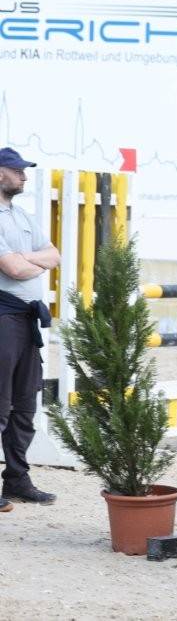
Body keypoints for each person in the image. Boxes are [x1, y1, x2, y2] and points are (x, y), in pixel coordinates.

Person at [0, 148, 59, 510]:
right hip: (3, 318)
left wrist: (27, 259)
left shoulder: (21, 216)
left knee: (24, 404)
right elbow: (13, 270)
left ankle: (17, 479)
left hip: (26, 320)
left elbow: (54, 254)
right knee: (0, 403)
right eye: (17, 170)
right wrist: (31, 262)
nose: (24, 176)